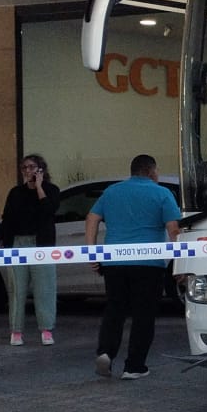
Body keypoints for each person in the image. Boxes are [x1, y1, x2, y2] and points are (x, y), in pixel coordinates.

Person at [86, 154, 182, 379]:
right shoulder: (162, 194)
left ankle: (106, 353)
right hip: (149, 264)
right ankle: (134, 366)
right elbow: (174, 230)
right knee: (144, 314)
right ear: (151, 171)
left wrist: (92, 252)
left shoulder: (112, 192)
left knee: (115, 310)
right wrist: (180, 261)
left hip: (114, 262)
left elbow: (92, 218)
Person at [0, 153, 61, 347]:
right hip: (18, 242)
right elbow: (8, 219)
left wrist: (40, 186)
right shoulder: (16, 193)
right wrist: (6, 245)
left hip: (41, 243)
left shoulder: (51, 190)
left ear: (41, 169)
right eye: (25, 167)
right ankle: (16, 331)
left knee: (45, 288)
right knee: (17, 289)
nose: (28, 171)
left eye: (32, 167)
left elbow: (48, 211)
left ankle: (46, 329)